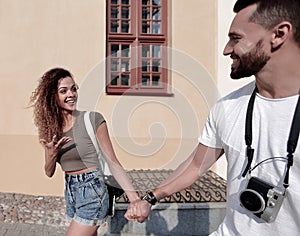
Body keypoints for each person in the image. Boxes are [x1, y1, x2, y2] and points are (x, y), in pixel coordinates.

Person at [125, 0, 300, 235]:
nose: (226, 50)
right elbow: (196, 165)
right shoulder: (226, 107)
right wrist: (150, 198)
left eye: (236, 38)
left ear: (279, 34)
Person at [30, 68, 139, 236]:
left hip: (92, 191)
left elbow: (113, 162)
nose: (71, 94)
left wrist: (135, 200)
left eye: (74, 89)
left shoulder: (93, 120)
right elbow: (49, 171)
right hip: (71, 192)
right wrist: (51, 153)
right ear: (52, 96)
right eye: (63, 91)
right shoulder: (50, 130)